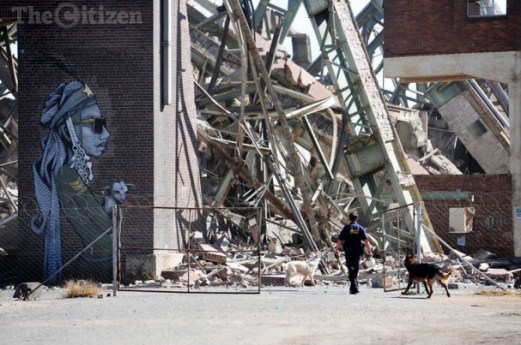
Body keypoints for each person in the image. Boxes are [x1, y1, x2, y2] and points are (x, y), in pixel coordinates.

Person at [31, 80, 121, 282]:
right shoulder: (67, 176)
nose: (105, 133)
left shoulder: (68, 173)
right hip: (97, 271)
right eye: (96, 125)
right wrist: (111, 204)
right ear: (66, 131)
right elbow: (104, 233)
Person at [335, 211, 372, 294]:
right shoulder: (360, 228)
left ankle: (354, 285)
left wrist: (336, 249)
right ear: (357, 218)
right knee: (355, 267)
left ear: (349, 218)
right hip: (357, 251)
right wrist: (370, 251)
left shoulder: (347, 228)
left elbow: (340, 239)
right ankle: (354, 284)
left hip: (348, 250)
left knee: (350, 267)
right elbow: (366, 241)